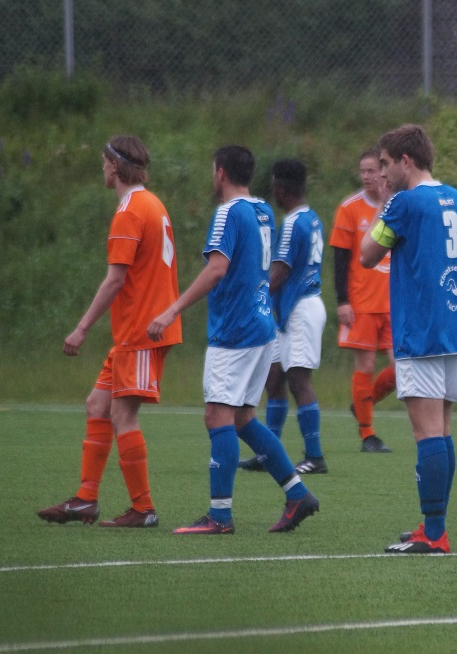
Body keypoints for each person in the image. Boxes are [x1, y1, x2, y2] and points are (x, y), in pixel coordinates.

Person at [148, 145, 319, 535]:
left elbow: (217, 269)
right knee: (242, 418)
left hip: (235, 331)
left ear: (220, 172)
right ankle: (297, 494)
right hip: (262, 325)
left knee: (217, 416)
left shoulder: (228, 212)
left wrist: (172, 311)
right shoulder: (262, 210)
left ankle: (219, 516)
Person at [38, 135, 182, 528]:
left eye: (104, 162)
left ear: (115, 166)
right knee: (97, 406)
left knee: (122, 415)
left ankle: (143, 509)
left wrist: (81, 328)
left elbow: (115, 280)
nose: (102, 168)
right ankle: (85, 500)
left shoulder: (130, 211)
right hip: (135, 333)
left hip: (142, 331)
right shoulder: (151, 203)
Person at [361, 124, 457, 554]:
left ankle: (434, 535)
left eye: (385, 164)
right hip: (456, 332)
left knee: (427, 432)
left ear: (406, 161)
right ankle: (434, 525)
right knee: (443, 429)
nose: (381, 174)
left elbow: (367, 255)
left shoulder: (403, 203)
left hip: (420, 333)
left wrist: (383, 204)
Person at [239, 159, 327, 474]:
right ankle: (269, 454)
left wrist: (250, 297)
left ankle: (315, 456)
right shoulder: (311, 217)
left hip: (300, 307)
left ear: (281, 188)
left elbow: (279, 273)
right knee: (274, 378)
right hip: (293, 308)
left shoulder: (292, 223)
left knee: (298, 379)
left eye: (274, 185)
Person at [330, 149, 396, 453]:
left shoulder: (398, 206)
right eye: (363, 171)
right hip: (362, 302)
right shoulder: (350, 208)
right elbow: (340, 258)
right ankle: (368, 435)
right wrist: (342, 300)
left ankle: (362, 403)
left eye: (373, 170)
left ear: (384, 172)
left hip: (393, 301)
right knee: (366, 364)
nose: (368, 176)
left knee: (402, 368)